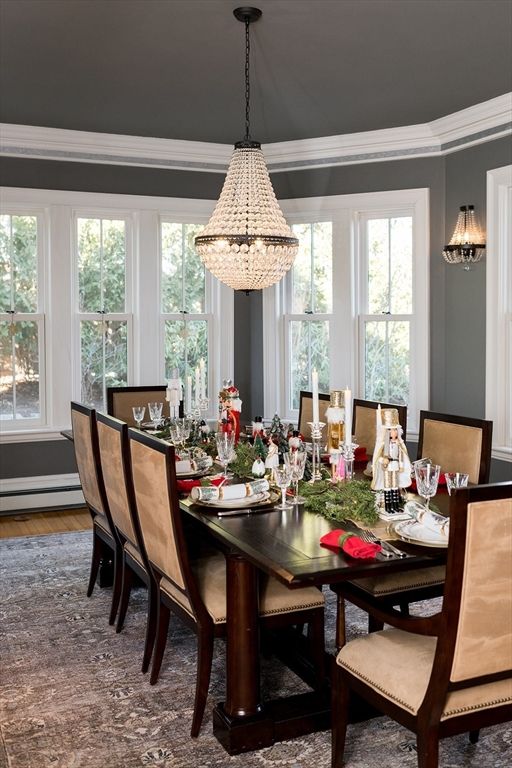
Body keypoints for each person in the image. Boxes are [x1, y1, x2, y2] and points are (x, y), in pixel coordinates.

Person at [371, 407, 411, 514]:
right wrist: (382, 460)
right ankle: (388, 506)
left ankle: (395, 505)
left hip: (395, 466)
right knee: (387, 485)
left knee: (395, 485)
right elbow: (378, 457)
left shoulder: (399, 444)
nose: (393, 432)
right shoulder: (384, 445)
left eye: (394, 430)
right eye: (390, 430)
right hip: (387, 467)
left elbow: (402, 455)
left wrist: (402, 465)